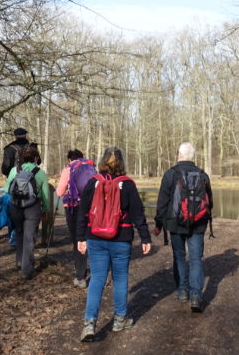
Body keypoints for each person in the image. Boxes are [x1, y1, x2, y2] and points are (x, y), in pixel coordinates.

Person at [77, 146, 152, 342]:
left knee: (97, 279)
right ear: (122, 162)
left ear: (102, 161)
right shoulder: (127, 185)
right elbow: (138, 213)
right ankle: (119, 319)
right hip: (121, 239)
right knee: (120, 278)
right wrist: (145, 237)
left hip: (95, 238)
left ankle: (89, 324)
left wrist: (81, 237)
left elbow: (83, 212)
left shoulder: (93, 183)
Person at [153, 142, 213, 313]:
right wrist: (205, 218)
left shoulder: (170, 174)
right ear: (192, 156)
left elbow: (162, 202)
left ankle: (182, 291)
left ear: (179, 154)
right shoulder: (202, 175)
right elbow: (210, 201)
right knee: (195, 259)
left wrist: (158, 223)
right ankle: (196, 296)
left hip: (175, 222)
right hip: (198, 223)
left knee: (179, 256)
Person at [6, 144, 51, 279]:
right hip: (33, 207)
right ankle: (27, 270)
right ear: (35, 158)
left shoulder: (14, 170)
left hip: (15, 206)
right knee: (30, 237)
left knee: (19, 233)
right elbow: (45, 195)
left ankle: (20, 262)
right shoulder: (40, 173)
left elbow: (7, 189)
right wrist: (46, 209)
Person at [56, 149, 96, 288]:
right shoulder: (91, 167)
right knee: (90, 237)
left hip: (74, 207)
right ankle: (97, 272)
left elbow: (59, 191)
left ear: (69, 159)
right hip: (91, 207)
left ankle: (81, 276)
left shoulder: (68, 168)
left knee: (78, 240)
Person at [2, 128, 30, 249]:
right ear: (25, 135)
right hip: (30, 181)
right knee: (29, 211)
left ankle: (13, 239)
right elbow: (38, 162)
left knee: (13, 211)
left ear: (15, 136)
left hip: (14, 183)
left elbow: (5, 167)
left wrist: (11, 173)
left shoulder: (9, 149)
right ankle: (27, 239)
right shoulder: (32, 147)